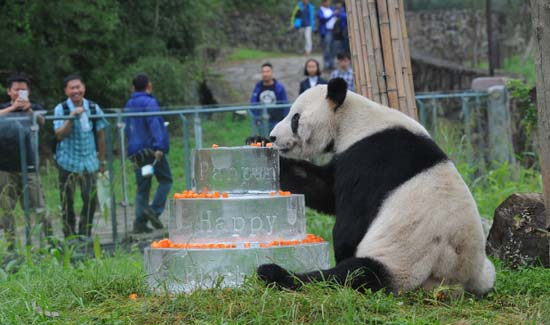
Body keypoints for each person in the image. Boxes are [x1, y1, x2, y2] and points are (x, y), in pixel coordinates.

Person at [0, 73, 51, 249]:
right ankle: (10, 245)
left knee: (39, 208)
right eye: (16, 90)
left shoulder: (34, 107)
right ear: (9, 91)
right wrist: (13, 108)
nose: (20, 93)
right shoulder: (4, 108)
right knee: (6, 210)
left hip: (29, 166)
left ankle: (50, 242)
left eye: (23, 90)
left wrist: (29, 110)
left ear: (28, 92)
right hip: (5, 167)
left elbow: (42, 121)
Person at [53, 75, 108, 239]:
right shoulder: (60, 109)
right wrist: (71, 117)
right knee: (66, 202)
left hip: (89, 163)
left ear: (83, 88)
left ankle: (85, 235)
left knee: (91, 201)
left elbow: (101, 135)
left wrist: (102, 160)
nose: (76, 91)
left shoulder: (93, 107)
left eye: (78, 87)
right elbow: (59, 135)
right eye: (72, 88)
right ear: (66, 91)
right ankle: (69, 236)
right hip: (67, 162)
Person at [124, 73, 172, 234]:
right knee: (166, 180)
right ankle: (154, 210)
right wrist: (160, 147)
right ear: (149, 86)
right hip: (151, 151)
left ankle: (139, 223)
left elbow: (127, 129)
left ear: (133, 88)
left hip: (136, 152)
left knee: (142, 188)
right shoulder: (150, 103)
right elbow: (155, 125)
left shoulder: (129, 104)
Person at [250, 63, 289, 132]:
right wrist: (256, 119)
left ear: (272, 72)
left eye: (267, 71)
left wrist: (284, 121)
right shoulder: (258, 87)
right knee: (264, 142)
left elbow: (285, 104)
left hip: (276, 122)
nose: (265, 74)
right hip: (262, 122)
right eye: (263, 72)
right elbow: (253, 104)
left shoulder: (279, 87)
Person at [318, 0, 337, 71]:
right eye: (327, 2)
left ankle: (331, 64)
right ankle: (326, 64)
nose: (328, 3)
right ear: (323, 2)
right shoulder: (320, 10)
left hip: (333, 31)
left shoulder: (331, 8)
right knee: (326, 48)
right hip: (326, 32)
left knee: (333, 48)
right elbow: (323, 19)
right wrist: (332, 15)